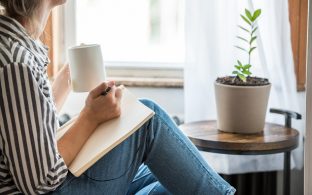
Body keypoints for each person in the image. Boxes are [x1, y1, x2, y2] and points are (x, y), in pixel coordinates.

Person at [0, 0, 236, 194]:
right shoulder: (15, 63)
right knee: (148, 120)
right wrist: (90, 117)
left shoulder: (13, 47)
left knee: (171, 177)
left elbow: (27, 137)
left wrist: (62, 86)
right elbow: (40, 179)